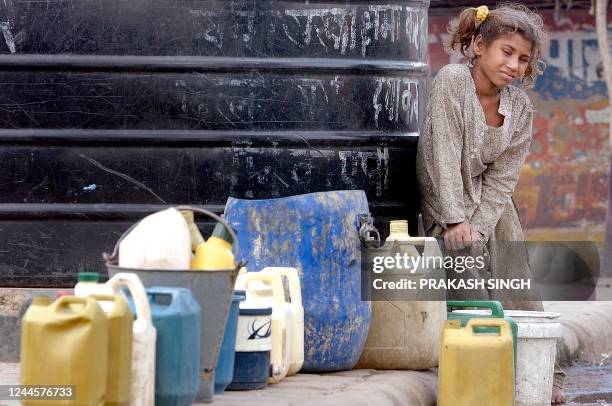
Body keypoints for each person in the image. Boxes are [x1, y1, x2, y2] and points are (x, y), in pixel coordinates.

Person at [416, 3, 566, 404]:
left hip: (490, 207)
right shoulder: (452, 81)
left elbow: (503, 178)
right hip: (444, 198)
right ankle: (486, 378)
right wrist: (454, 221)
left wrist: (480, 225)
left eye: (523, 59)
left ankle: (538, 374)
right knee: (474, 294)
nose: (514, 65)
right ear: (479, 45)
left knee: (516, 285)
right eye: (507, 51)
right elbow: (442, 155)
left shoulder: (519, 109)